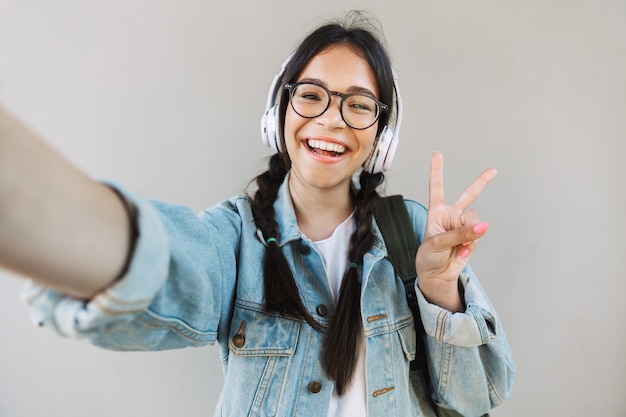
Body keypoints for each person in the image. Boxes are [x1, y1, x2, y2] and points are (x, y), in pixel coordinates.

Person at [0, 11, 514, 417]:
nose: (332, 119)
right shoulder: (236, 237)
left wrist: (439, 291)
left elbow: (477, 398)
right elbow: (171, 265)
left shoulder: (414, 234)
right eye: (311, 96)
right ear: (278, 113)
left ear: (382, 136)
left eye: (358, 105)